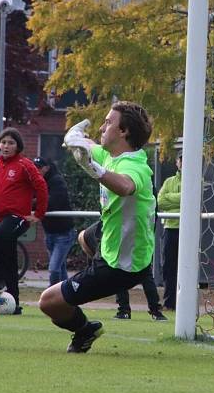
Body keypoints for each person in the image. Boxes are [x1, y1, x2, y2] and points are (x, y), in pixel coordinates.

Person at [38, 101, 156, 353]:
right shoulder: (111, 155)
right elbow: (86, 146)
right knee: (83, 237)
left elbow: (125, 187)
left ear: (123, 131)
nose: (102, 127)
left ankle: (85, 330)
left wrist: (93, 169)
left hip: (124, 264)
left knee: (48, 303)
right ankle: (96, 279)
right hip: (111, 241)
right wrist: (73, 137)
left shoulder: (135, 166)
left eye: (108, 122)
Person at [0, 128, 48, 313]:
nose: (6, 146)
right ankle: (14, 302)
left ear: (18, 145)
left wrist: (39, 214)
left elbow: (41, 186)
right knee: (9, 258)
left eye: (10, 143)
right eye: (3, 142)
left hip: (17, 217)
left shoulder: (24, 165)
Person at [83, 220, 166, 321]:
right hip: (140, 239)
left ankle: (124, 311)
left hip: (124, 239)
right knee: (145, 275)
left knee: (120, 274)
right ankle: (156, 311)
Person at [33, 157, 76, 286]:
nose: (36, 170)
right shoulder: (38, 182)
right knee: (60, 268)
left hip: (63, 234)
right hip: (50, 232)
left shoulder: (56, 181)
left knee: (54, 268)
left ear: (47, 168)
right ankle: (66, 298)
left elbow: (51, 202)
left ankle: (53, 297)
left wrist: (33, 202)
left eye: (39, 167)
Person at [157, 150, 183, 310]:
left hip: (187, 230)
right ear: (177, 162)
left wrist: (170, 198)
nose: (183, 162)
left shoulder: (197, 179)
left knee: (186, 267)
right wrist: (180, 198)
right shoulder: (169, 181)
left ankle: (184, 304)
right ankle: (169, 303)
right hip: (170, 228)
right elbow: (160, 201)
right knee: (168, 267)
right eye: (181, 159)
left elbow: (192, 197)